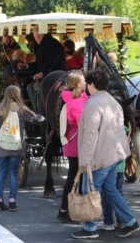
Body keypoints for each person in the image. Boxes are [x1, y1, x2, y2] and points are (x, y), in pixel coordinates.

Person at [71, 70, 140, 239]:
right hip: (115, 154)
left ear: (92, 84)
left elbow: (90, 135)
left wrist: (85, 160)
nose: (87, 87)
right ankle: (130, 222)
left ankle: (90, 228)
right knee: (110, 190)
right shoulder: (113, 101)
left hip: (99, 156)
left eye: (88, 84)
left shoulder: (92, 104)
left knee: (89, 189)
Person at [0, 85, 45, 212]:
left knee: (2, 174)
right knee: (14, 174)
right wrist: (43, 118)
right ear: (17, 95)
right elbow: (36, 118)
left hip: (1, 146)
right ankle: (12, 202)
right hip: (15, 146)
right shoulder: (21, 109)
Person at [57, 71, 88, 224]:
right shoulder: (76, 102)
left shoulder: (79, 99)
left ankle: (67, 210)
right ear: (78, 85)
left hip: (75, 144)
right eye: (84, 81)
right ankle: (65, 209)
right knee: (74, 178)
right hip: (76, 145)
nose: (86, 84)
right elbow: (83, 123)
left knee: (76, 178)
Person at [27, 24, 67, 112]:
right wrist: (27, 66)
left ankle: (40, 111)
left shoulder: (51, 44)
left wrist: (42, 73)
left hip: (55, 76)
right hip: (50, 75)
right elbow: (40, 63)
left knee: (31, 88)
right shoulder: (45, 44)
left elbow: (51, 61)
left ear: (37, 36)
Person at [99, 125, 128, 231]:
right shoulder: (123, 129)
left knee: (107, 194)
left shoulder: (106, 129)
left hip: (109, 166)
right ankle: (122, 220)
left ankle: (108, 221)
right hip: (120, 166)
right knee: (119, 193)